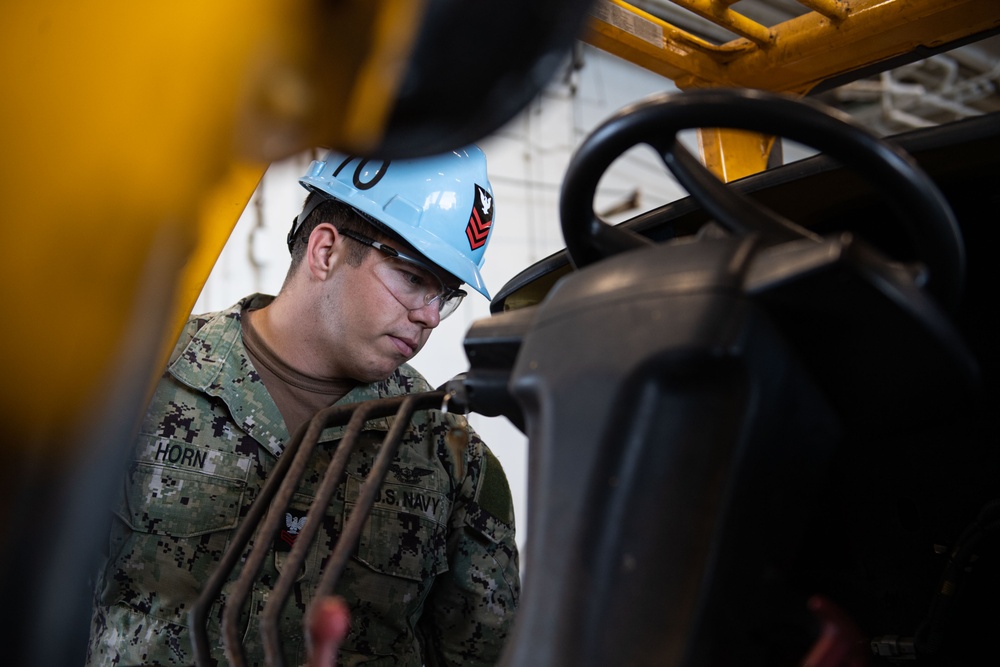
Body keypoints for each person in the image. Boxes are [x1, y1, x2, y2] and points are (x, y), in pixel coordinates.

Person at [86, 146, 520, 666]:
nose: (429, 316)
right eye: (413, 279)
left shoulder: (449, 455)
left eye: (445, 295)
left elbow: (484, 654)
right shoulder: (142, 381)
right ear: (326, 251)